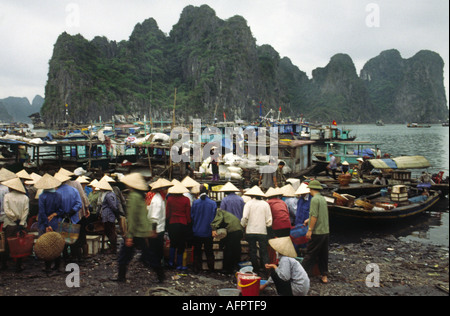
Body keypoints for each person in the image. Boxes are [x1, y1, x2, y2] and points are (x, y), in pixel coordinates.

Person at [114, 173, 155, 282]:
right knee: (147, 255)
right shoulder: (141, 196)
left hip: (135, 232)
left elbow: (132, 218)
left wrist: (129, 235)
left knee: (124, 256)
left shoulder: (133, 197)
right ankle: (160, 274)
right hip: (142, 231)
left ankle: (121, 277)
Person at [35, 174, 64, 274]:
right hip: (55, 222)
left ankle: (48, 267)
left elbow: (42, 212)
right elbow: (61, 210)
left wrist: (47, 225)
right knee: (56, 243)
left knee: (46, 245)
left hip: (44, 223)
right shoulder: (59, 195)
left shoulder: (42, 196)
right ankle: (57, 265)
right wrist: (54, 214)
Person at [301, 180, 330, 284]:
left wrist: (310, 230)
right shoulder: (322, 199)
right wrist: (308, 220)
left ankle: (299, 275)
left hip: (317, 232)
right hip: (325, 231)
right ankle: (324, 275)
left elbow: (315, 215)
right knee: (323, 254)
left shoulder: (314, 200)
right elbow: (320, 214)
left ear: (310, 189)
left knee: (310, 254)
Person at [241, 185, 272, 274]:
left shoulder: (249, 204)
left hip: (250, 231)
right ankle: (266, 269)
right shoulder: (265, 204)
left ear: (252, 195)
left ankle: (256, 269)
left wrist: (243, 225)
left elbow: (245, 217)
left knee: (252, 250)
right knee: (264, 251)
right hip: (262, 231)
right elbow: (269, 221)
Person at [0, 177, 29, 272]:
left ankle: (4, 264)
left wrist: (14, 219)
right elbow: (26, 211)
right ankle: (18, 265)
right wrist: (21, 222)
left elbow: (7, 210)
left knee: (7, 244)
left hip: (9, 224)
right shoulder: (25, 198)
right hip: (21, 224)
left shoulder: (7, 196)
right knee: (19, 244)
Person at [147, 177, 173, 281]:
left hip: (158, 230)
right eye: (165, 189)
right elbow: (154, 217)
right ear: (161, 190)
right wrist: (153, 231)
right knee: (155, 253)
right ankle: (160, 274)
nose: (167, 191)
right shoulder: (157, 200)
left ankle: (160, 275)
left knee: (156, 253)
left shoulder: (161, 199)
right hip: (156, 230)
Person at [54, 172, 83, 262]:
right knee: (75, 240)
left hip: (62, 220)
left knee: (63, 241)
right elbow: (79, 204)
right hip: (74, 218)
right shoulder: (74, 190)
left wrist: (63, 213)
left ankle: (66, 258)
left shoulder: (56, 192)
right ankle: (77, 258)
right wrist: (71, 211)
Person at [191, 184, 217, 272]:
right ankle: (211, 269)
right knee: (209, 251)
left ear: (199, 193)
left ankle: (196, 268)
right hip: (208, 232)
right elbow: (214, 218)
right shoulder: (213, 203)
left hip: (197, 231)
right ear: (207, 192)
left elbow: (192, 216)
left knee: (197, 251)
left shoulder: (195, 203)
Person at [166, 181, 191, 270]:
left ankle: (171, 262)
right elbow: (188, 214)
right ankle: (179, 264)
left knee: (173, 243)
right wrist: (188, 223)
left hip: (172, 223)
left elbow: (167, 213)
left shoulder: (170, 199)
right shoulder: (186, 200)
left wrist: (167, 222)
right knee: (181, 244)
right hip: (183, 223)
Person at [211, 208, 243, 274]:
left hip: (232, 231)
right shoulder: (227, 214)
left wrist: (213, 228)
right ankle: (236, 268)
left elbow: (217, 221)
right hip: (239, 231)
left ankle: (227, 269)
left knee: (228, 250)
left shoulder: (219, 212)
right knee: (236, 249)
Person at [96, 179, 119, 254]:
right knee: (109, 231)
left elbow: (113, 206)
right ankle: (112, 247)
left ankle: (113, 248)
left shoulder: (109, 195)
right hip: (107, 215)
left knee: (110, 231)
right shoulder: (107, 194)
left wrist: (117, 213)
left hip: (108, 215)